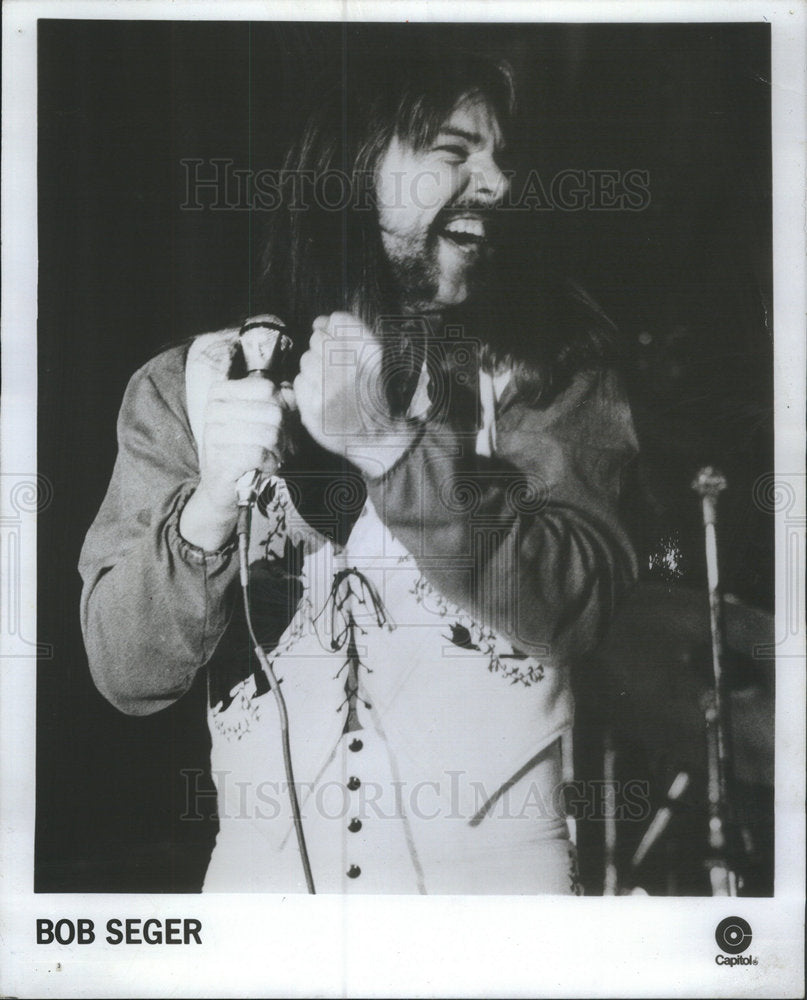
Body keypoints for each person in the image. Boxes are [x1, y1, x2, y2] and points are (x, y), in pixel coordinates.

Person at [79, 47, 639, 894]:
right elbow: (125, 674)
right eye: (454, 152)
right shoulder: (188, 387)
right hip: (260, 917)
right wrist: (210, 509)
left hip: (496, 911)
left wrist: (391, 452)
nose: (495, 183)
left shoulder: (550, 374)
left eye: (500, 158)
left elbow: (576, 606)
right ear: (353, 168)